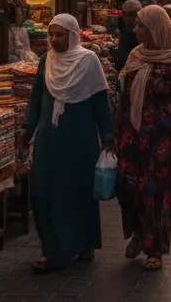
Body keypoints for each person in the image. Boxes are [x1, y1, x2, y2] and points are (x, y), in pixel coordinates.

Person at [18, 14, 113, 272]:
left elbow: (100, 101)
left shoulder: (88, 61)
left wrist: (107, 136)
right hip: (49, 140)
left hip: (79, 140)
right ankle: (52, 249)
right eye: (51, 35)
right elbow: (36, 100)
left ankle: (82, 243)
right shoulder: (46, 62)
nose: (54, 40)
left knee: (78, 191)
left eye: (60, 35)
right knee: (43, 193)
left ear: (72, 35)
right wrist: (28, 129)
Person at [116, 5, 171, 271]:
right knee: (128, 186)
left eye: (140, 26)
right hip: (131, 135)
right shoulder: (135, 56)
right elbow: (123, 94)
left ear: (154, 28)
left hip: (162, 138)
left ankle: (154, 248)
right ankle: (138, 230)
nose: (135, 30)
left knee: (156, 193)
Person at [112, 0, 142, 70]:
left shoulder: (135, 32)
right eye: (124, 14)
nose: (126, 18)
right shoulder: (123, 25)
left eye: (132, 14)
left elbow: (122, 60)